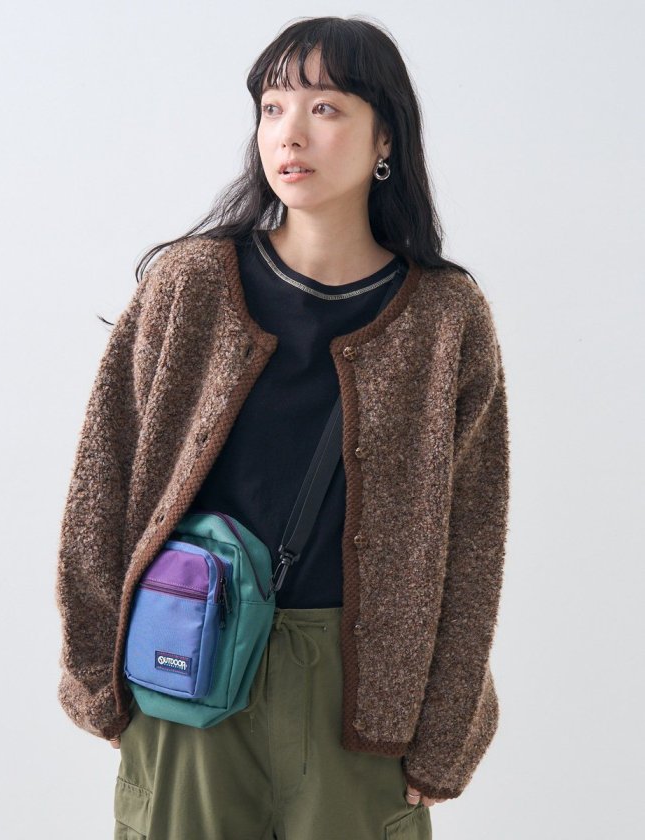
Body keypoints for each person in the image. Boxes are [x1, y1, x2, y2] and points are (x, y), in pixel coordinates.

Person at [55, 15, 511, 840]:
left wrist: (446, 733)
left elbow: (474, 533)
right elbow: (102, 482)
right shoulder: (190, 285)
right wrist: (98, 678)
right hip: (186, 661)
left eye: (324, 107)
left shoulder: (447, 318)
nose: (289, 133)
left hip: (361, 694)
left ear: (386, 138)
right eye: (272, 107)